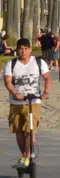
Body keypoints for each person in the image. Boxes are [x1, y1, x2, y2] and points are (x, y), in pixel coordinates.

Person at [5, 38, 50, 169]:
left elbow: (47, 78)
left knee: (31, 130)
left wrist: (45, 93)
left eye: (26, 48)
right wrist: (15, 92)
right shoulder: (11, 64)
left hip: (33, 101)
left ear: (30, 49)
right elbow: (8, 82)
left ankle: (26, 156)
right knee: (18, 131)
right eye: (21, 49)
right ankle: (26, 156)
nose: (23, 51)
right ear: (17, 50)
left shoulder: (38, 62)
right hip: (16, 102)